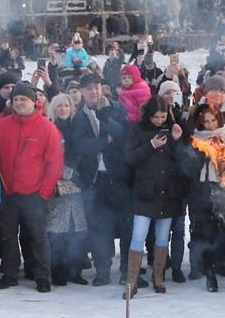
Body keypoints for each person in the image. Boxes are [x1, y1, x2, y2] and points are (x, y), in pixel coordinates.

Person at [0, 83, 63, 293]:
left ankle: (42, 275)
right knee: (7, 236)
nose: (19, 103)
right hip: (7, 192)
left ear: (34, 102)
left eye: (24, 99)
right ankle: (10, 274)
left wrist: (43, 192)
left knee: (38, 237)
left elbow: (54, 163)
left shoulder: (46, 127)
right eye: (16, 100)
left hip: (34, 193)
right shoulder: (2, 124)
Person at [71, 74, 141, 288]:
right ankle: (102, 270)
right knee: (99, 227)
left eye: (97, 87)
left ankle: (127, 271)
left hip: (119, 177)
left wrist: (106, 120)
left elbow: (125, 136)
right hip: (94, 180)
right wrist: (104, 141)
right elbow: (79, 146)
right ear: (82, 92)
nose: (94, 91)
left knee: (127, 225)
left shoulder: (117, 108)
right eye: (89, 88)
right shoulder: (80, 117)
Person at [122, 96, 187, 299]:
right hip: (144, 192)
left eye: (162, 116)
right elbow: (130, 157)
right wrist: (151, 144)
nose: (159, 120)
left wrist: (177, 141)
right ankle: (131, 280)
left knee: (162, 237)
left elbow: (183, 160)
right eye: (155, 117)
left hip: (168, 192)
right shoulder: (137, 130)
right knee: (138, 235)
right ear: (148, 115)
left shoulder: (172, 129)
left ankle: (158, 277)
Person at [188, 104, 225, 292]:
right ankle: (210, 275)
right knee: (205, 233)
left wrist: (224, 151)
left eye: (212, 120)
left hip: (223, 188)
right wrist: (204, 152)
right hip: (202, 189)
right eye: (206, 121)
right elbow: (190, 167)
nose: (209, 125)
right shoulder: (195, 139)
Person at [45, 94, 89, 287]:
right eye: (59, 106)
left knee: (77, 230)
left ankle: (75, 270)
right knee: (57, 232)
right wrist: (68, 173)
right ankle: (57, 271)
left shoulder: (77, 127)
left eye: (66, 105)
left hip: (79, 186)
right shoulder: (48, 127)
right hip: (57, 185)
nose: (63, 109)